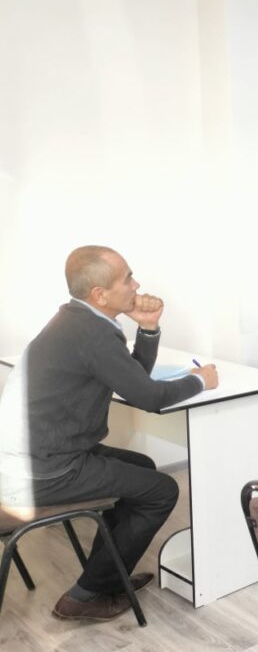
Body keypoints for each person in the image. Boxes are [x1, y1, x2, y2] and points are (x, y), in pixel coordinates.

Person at [0, 246, 219, 621]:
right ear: (100, 294)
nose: (137, 285)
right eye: (127, 278)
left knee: (143, 466)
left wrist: (147, 327)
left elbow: (132, 380)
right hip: (42, 471)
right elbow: (149, 397)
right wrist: (200, 381)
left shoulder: (74, 320)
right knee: (163, 491)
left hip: (34, 458)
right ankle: (88, 594)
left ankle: (109, 573)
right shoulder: (93, 334)